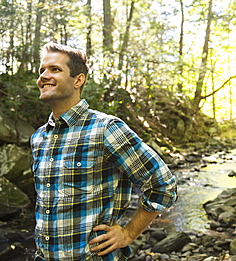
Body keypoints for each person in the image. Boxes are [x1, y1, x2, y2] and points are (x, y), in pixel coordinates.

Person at [30, 42, 178, 260]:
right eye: (42, 70)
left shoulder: (106, 129)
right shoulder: (39, 138)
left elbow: (162, 184)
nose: (44, 75)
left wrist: (127, 233)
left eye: (55, 69)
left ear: (78, 80)